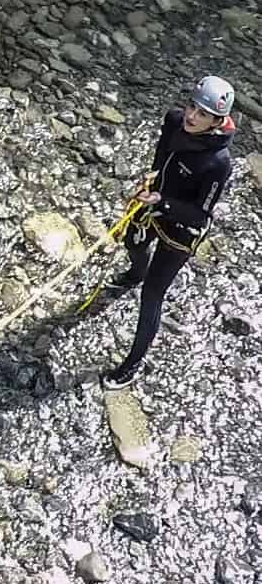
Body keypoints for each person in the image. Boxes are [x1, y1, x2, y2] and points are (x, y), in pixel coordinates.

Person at [102, 76, 238, 390]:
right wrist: (153, 178)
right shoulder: (174, 121)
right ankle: (135, 273)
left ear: (217, 121)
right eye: (192, 106)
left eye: (203, 114)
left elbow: (201, 212)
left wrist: (163, 201)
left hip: (182, 228)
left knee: (153, 294)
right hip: (154, 203)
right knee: (131, 243)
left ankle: (131, 364)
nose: (192, 116)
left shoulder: (219, 162)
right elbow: (163, 157)